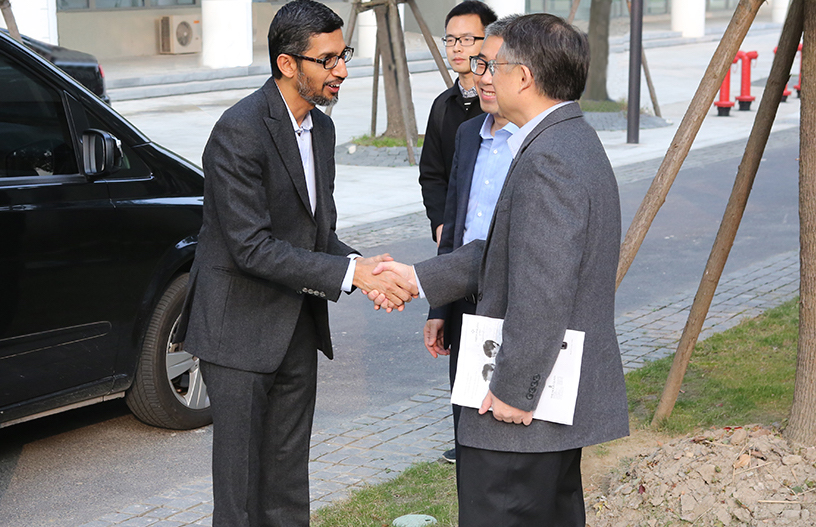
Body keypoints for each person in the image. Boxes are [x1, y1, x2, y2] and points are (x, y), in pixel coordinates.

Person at [372, 13, 630, 526]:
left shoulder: (549, 157)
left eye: (493, 64)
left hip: (522, 408)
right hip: (546, 404)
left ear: (524, 77)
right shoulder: (565, 138)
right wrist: (418, 279)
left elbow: (544, 288)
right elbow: (505, 252)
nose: (483, 76)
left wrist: (514, 388)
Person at [174, 2, 416, 525]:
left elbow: (315, 235)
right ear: (288, 65)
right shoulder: (238, 130)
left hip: (297, 329)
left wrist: (363, 265)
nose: (343, 70)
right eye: (328, 59)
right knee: (239, 495)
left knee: (288, 484)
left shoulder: (322, 131)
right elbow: (251, 247)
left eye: (343, 54)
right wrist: (353, 275)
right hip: (236, 332)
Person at [423, 16, 519, 465]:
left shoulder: (537, 143)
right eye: (477, 66)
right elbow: (453, 227)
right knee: (468, 427)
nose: (480, 77)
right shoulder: (467, 134)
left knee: (514, 431)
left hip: (517, 302)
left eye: (490, 66)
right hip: (464, 302)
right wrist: (440, 306)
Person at [418, 0, 497, 244]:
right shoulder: (442, 105)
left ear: (489, 40)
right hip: (454, 239)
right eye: (450, 40)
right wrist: (441, 225)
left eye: (466, 39)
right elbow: (431, 174)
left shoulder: (502, 104)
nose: (456, 48)